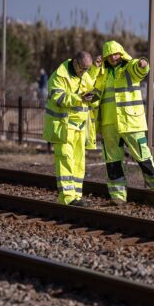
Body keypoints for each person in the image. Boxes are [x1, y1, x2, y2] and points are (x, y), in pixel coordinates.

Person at [94, 40, 154, 205]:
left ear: (122, 53)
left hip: (131, 123)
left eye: (116, 54)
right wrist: (94, 68)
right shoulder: (101, 73)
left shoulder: (129, 68)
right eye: (110, 55)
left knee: (144, 159)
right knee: (112, 163)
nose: (114, 57)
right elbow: (94, 91)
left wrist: (142, 64)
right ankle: (118, 197)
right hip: (110, 125)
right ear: (105, 57)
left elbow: (140, 70)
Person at [43, 51, 100, 206]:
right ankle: (67, 197)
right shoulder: (59, 76)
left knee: (78, 162)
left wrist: (93, 98)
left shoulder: (85, 75)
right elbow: (58, 99)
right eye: (82, 68)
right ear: (75, 63)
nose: (84, 72)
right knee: (65, 159)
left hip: (80, 128)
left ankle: (76, 196)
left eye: (87, 69)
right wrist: (79, 98)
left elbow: (92, 94)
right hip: (64, 126)